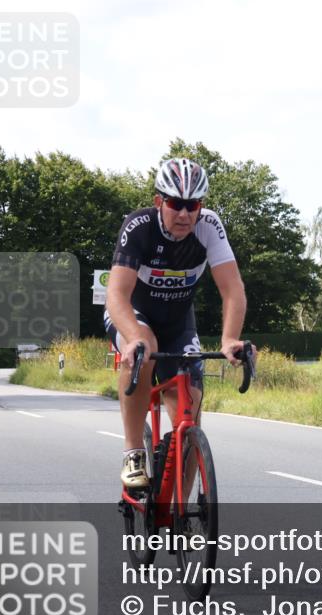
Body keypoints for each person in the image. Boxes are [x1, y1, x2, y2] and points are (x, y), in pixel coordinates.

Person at [105, 157, 248, 488]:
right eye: (175, 204)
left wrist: (229, 340)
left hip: (178, 321)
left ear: (201, 205)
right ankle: (133, 452)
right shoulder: (139, 226)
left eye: (192, 204)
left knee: (190, 406)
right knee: (142, 350)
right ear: (159, 202)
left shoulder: (209, 227)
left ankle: (179, 515)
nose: (184, 213)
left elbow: (233, 290)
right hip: (133, 313)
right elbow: (116, 296)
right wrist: (132, 337)